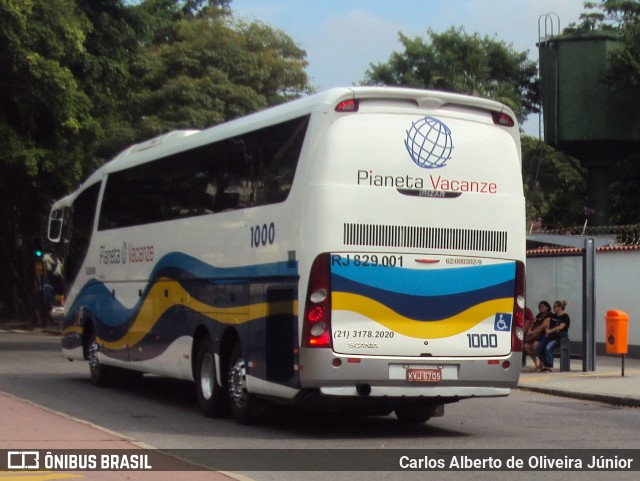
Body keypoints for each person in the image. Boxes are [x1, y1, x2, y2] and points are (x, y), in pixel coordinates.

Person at [536, 300, 570, 372]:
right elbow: (548, 325)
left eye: (555, 307)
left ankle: (550, 366)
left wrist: (551, 330)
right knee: (539, 348)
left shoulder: (565, 317)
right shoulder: (553, 316)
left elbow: (561, 326)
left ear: (560, 307)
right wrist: (547, 330)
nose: (553, 308)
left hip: (559, 337)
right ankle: (545, 365)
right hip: (551, 335)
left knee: (548, 348)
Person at [523, 301, 551, 371]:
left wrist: (532, 332)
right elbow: (532, 323)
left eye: (542, 306)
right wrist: (530, 330)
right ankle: (536, 363)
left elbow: (542, 326)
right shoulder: (539, 315)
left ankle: (541, 363)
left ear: (547, 307)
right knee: (526, 346)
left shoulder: (549, 316)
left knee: (535, 345)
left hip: (544, 336)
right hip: (535, 336)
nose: (540, 308)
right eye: (539, 307)